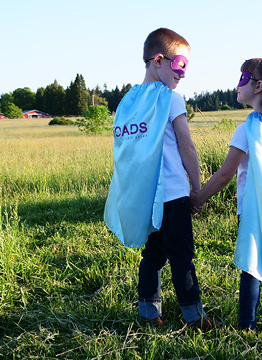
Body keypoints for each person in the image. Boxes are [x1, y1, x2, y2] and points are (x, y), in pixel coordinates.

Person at [104, 28, 213, 331]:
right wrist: (197, 187)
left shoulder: (126, 103)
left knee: (152, 255)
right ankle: (194, 317)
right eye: (180, 64)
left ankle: (149, 314)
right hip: (174, 195)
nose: (183, 73)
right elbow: (187, 147)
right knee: (182, 257)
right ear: (158, 60)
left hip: (144, 197)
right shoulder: (170, 99)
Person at [191, 58, 262, 339]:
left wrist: (198, 197)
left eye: (242, 79)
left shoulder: (247, 129)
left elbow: (225, 174)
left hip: (252, 211)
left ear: (258, 86)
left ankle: (246, 328)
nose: (237, 85)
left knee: (251, 267)